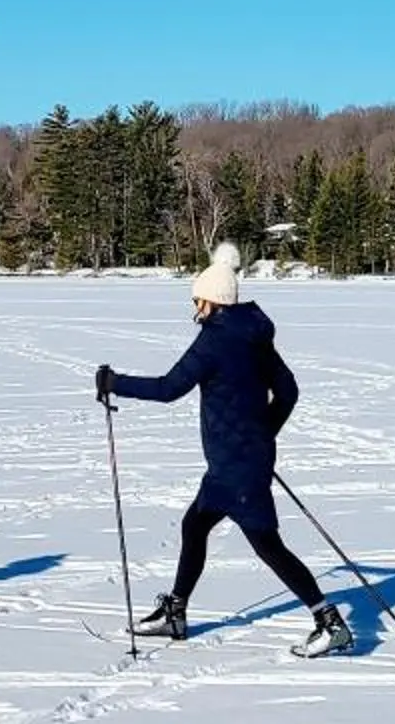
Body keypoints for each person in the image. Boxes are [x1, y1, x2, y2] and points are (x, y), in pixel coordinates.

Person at [96, 242, 352, 658]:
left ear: (212, 302)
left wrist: (113, 382)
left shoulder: (214, 341)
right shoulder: (255, 338)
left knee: (267, 545)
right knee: (194, 527)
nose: (194, 307)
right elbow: (287, 392)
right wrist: (264, 433)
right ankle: (175, 612)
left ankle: (329, 622)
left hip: (237, 468)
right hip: (234, 463)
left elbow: (167, 389)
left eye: (197, 300)